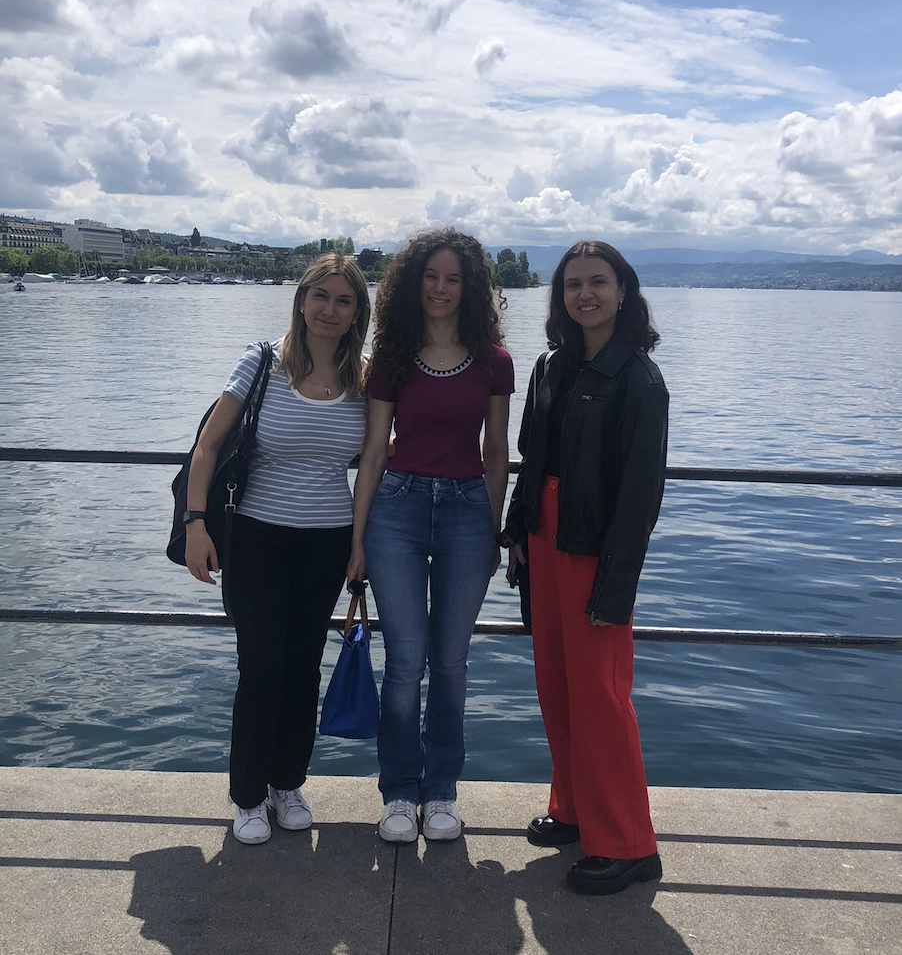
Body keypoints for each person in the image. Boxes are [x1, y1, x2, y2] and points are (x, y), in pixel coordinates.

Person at [500, 240, 668, 895]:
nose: (585, 294)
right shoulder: (551, 366)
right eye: (573, 284)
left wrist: (616, 584)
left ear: (623, 290)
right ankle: (573, 810)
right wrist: (516, 532)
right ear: (560, 296)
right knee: (557, 684)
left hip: (596, 547)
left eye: (598, 282)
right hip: (545, 537)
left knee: (600, 695)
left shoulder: (639, 379)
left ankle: (628, 844)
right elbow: (531, 458)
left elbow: (640, 496)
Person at [184, 254, 370, 845]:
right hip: (257, 537)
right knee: (261, 670)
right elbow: (208, 448)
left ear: (357, 311)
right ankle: (246, 796)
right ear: (301, 298)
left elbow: (374, 458)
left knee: (301, 670)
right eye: (321, 296)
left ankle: (288, 782)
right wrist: (195, 524)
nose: (330, 310)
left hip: (326, 542)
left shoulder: (364, 379)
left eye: (344, 300)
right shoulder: (261, 362)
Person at [348, 228, 513, 843]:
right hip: (397, 507)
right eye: (431, 276)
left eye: (453, 278)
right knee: (406, 659)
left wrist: (491, 530)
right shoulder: (391, 357)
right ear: (413, 283)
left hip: (469, 509)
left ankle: (441, 791)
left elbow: (496, 450)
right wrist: (358, 537)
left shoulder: (494, 361)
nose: (441, 288)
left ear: (469, 288)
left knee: (450, 662)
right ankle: (398, 792)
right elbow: (371, 453)